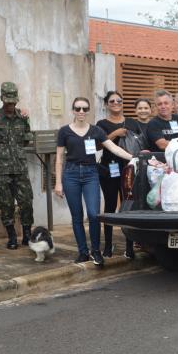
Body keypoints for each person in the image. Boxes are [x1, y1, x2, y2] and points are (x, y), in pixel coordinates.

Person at [54, 97, 134, 267]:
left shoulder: (96, 130)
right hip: (71, 174)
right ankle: (83, 252)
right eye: (78, 108)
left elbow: (113, 148)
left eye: (84, 108)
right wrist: (58, 183)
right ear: (73, 110)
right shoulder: (64, 131)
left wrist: (134, 157)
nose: (81, 112)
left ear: (88, 110)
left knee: (93, 214)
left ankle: (96, 251)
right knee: (77, 216)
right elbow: (59, 158)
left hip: (91, 173)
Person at [0, 82, 34, 250]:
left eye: (13, 102)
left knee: (26, 201)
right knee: (6, 203)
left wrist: (14, 151)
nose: (10, 105)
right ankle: (12, 236)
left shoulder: (23, 117)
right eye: (7, 102)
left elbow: (26, 139)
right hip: (2, 169)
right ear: (1, 99)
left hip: (20, 167)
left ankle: (27, 234)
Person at [96, 90, 141, 258]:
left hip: (129, 169)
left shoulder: (132, 122)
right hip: (109, 169)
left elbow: (139, 142)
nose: (116, 103)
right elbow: (98, 146)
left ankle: (129, 246)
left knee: (128, 207)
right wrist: (115, 134)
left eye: (119, 101)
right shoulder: (101, 124)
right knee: (109, 206)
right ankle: (108, 245)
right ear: (107, 104)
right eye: (112, 101)